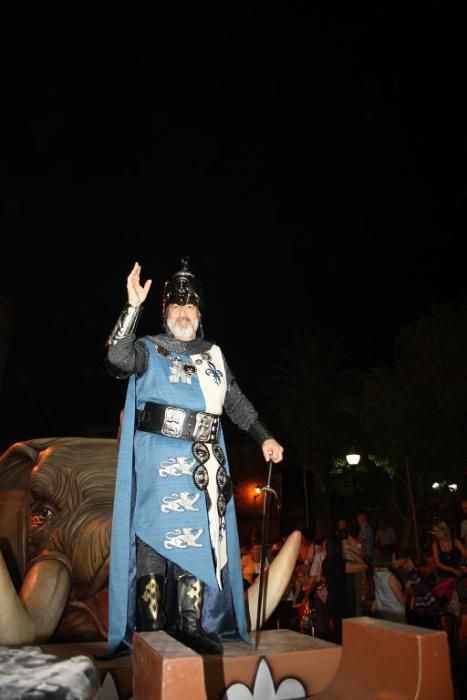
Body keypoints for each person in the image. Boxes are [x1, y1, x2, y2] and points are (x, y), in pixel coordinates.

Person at [105, 258, 284, 656]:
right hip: (157, 460)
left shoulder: (215, 357)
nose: (182, 313)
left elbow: (236, 404)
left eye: (190, 308)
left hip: (203, 463)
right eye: (175, 308)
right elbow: (116, 359)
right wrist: (132, 308)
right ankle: (151, 627)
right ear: (165, 312)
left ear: (199, 315)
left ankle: (189, 622)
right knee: (153, 538)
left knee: (197, 539)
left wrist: (264, 438)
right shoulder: (148, 349)